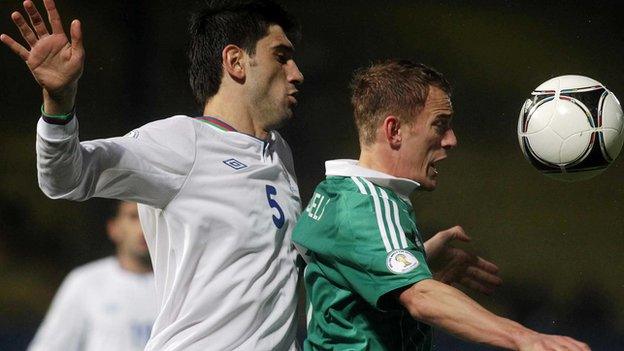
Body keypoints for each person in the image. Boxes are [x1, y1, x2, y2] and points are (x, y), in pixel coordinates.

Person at [1, 0, 304, 349]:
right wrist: (59, 103)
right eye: (281, 57)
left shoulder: (279, 153)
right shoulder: (181, 141)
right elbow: (65, 178)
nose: (296, 73)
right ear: (235, 61)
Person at [292, 60, 591, 351]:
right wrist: (524, 337)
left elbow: (355, 294)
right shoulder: (363, 205)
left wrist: (418, 259)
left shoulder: (341, 191)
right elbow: (421, 298)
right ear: (394, 131)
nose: (451, 140)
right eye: (440, 125)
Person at [28, 201, 156, 351]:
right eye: (133, 217)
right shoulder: (85, 282)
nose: (143, 228)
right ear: (113, 229)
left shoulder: (181, 285)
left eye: (150, 218)